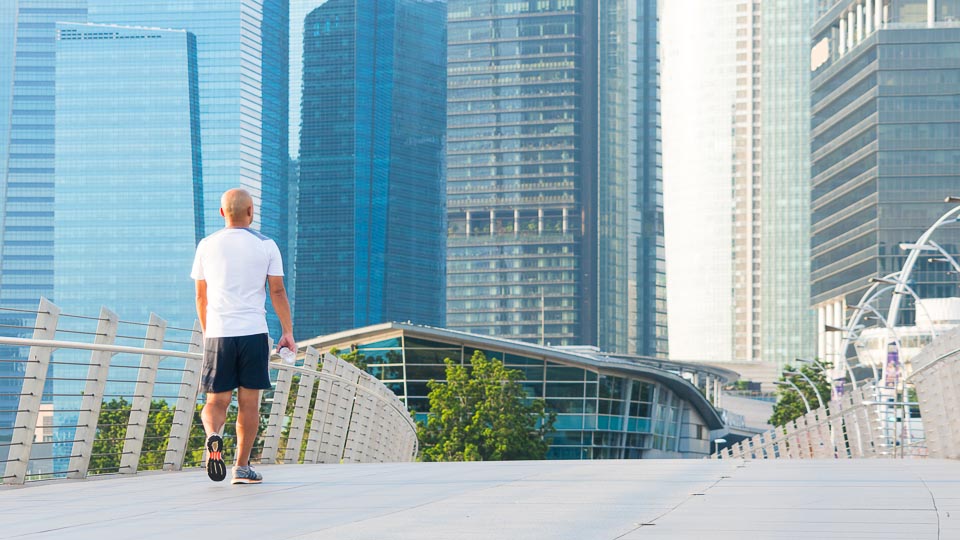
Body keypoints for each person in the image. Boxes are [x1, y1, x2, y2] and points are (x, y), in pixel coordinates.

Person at [191, 188, 294, 484]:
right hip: (253, 333)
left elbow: (201, 297)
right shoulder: (266, 245)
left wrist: (208, 332)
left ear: (222, 213)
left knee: (215, 401)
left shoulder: (207, 245)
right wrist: (287, 331)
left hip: (219, 334)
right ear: (251, 212)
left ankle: (213, 435)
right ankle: (241, 467)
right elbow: (277, 291)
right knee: (249, 404)